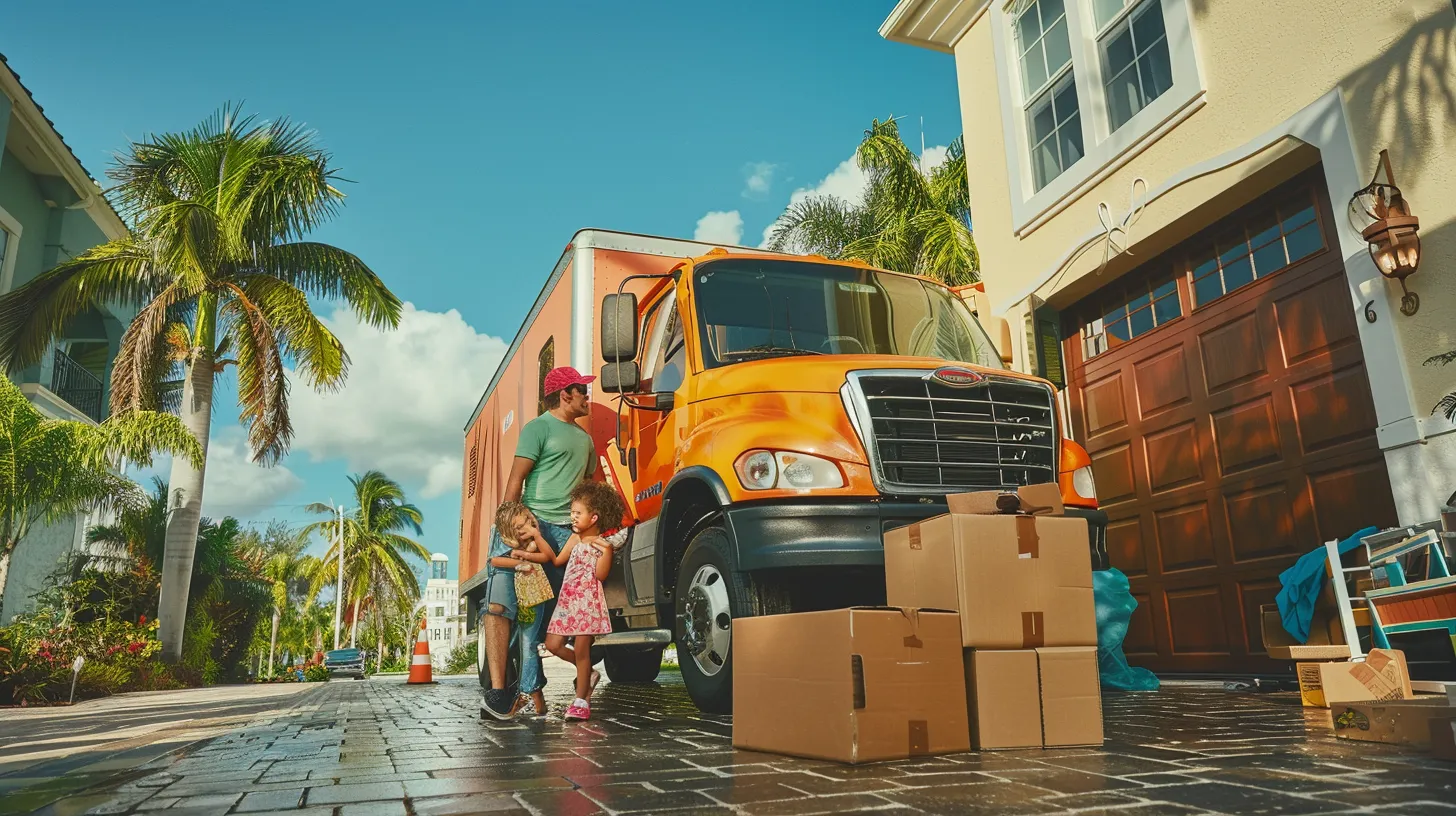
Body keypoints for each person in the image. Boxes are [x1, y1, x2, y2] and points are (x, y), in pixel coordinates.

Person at [481, 366, 596, 720]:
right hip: (533, 526)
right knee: (508, 611)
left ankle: (548, 687)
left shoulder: (585, 440)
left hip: (567, 533)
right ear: (565, 395)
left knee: (553, 622)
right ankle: (503, 693)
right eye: (582, 391)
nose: (587, 396)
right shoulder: (538, 428)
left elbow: (591, 487)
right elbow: (516, 480)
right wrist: (507, 532)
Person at [543, 481, 625, 721]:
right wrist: (537, 538)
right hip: (568, 601)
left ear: (594, 518)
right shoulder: (574, 539)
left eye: (578, 513)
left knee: (581, 649)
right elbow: (557, 561)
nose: (573, 517)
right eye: (572, 513)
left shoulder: (601, 544)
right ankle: (588, 674)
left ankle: (581, 701)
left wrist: (608, 553)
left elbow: (600, 575)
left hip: (587, 602)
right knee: (553, 644)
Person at [489, 501, 558, 717]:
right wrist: (518, 563)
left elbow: (546, 557)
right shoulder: (514, 545)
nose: (526, 528)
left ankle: (527, 692)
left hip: (535, 596)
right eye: (520, 527)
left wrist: (532, 540)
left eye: (527, 521)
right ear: (511, 532)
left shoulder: (534, 541)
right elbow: (494, 561)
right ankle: (537, 697)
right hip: (523, 597)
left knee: (529, 642)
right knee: (521, 642)